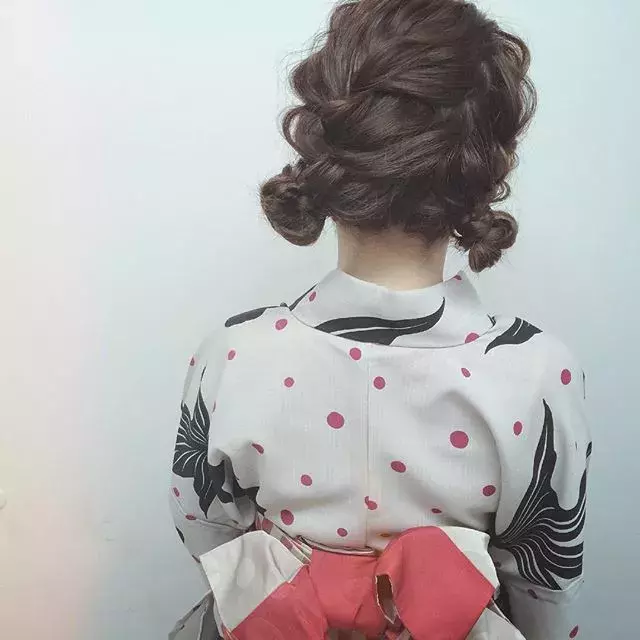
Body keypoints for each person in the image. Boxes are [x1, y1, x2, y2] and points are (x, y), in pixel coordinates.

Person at [169, 1, 591, 638]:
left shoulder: (233, 353)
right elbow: (545, 580)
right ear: (486, 161)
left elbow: (205, 531)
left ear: (326, 145)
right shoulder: (536, 372)